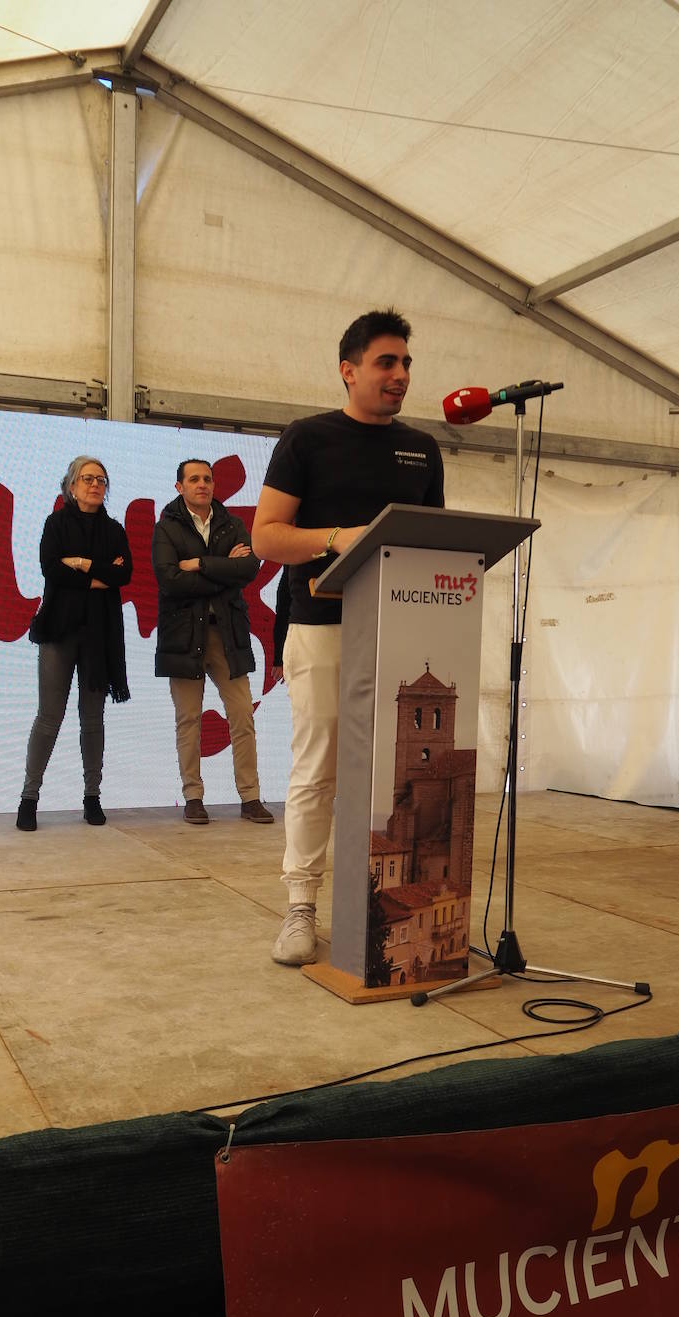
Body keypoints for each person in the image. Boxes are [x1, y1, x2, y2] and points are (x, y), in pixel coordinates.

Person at [251, 308, 445, 964]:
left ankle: (389, 905)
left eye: (406, 363)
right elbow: (266, 536)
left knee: (401, 774)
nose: (400, 374)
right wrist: (339, 539)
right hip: (321, 625)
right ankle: (300, 906)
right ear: (348, 370)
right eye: (386, 362)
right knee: (319, 767)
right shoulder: (307, 439)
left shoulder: (424, 450)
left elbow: (434, 542)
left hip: (402, 631)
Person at [152, 459, 273, 825]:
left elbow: (248, 569)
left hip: (226, 633)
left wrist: (200, 564)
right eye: (194, 479)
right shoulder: (166, 527)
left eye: (207, 478)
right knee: (188, 719)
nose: (202, 484)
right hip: (184, 634)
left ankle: (250, 797)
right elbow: (170, 580)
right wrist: (222, 566)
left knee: (242, 715)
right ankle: (193, 796)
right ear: (180, 487)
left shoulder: (232, 524)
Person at [16, 456, 132, 831]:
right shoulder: (56, 524)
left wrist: (80, 563)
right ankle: (29, 798)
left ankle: (92, 796)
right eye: (87, 479)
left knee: (92, 718)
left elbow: (123, 575)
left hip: (99, 633)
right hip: (59, 630)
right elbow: (51, 569)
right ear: (72, 486)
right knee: (49, 717)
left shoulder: (114, 530)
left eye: (101, 479)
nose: (95, 485)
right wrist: (99, 574)